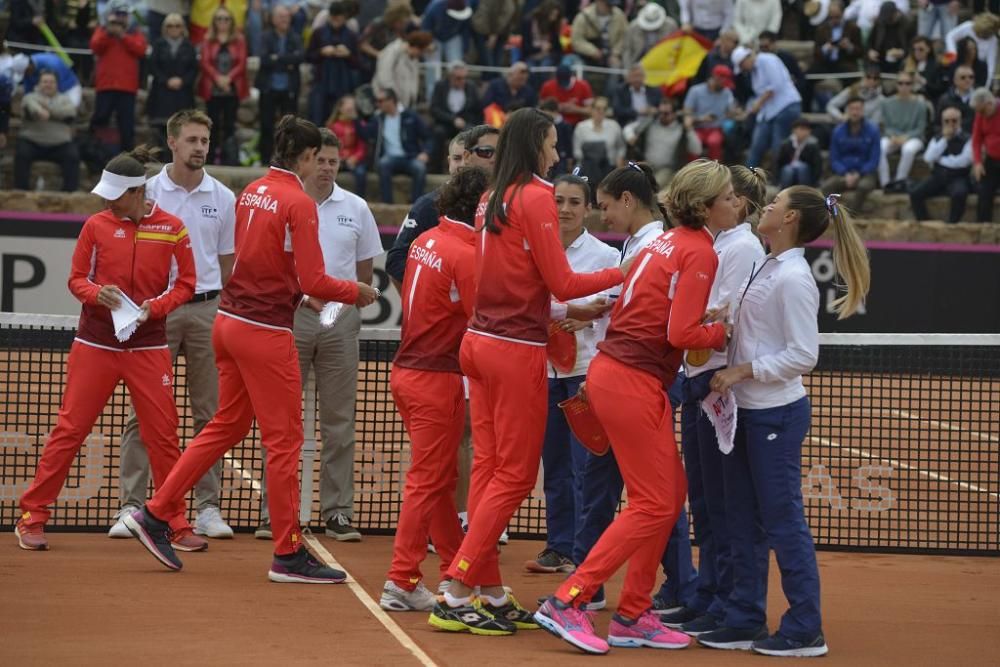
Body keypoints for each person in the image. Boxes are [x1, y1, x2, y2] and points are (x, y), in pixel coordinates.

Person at [124, 115, 378, 579]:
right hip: (265, 332)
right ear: (304, 157)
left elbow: (266, 262)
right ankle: (288, 553)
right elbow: (313, 280)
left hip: (228, 322)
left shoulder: (252, 192)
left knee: (225, 426)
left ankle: (157, 510)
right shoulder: (297, 202)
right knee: (285, 441)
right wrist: (354, 292)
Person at [428, 108, 624, 636]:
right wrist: (626, 268)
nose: (558, 155)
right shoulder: (534, 197)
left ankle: (488, 588)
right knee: (513, 476)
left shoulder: (494, 196)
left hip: (479, 344)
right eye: (554, 145)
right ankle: (456, 586)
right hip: (514, 352)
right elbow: (561, 282)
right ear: (536, 143)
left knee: (491, 471)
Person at [535, 160, 732, 655]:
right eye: (729, 196)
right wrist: (722, 330)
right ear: (706, 205)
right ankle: (570, 599)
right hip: (631, 381)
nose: (738, 203)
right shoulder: (698, 250)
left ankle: (633, 614)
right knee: (652, 503)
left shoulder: (663, 242)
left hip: (619, 374)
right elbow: (682, 336)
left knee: (669, 494)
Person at [699, 185, 870, 658]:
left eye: (774, 203)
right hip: (744, 412)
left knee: (782, 521)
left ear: (789, 217)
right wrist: (723, 319)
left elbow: (802, 354)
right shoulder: (766, 264)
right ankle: (743, 617)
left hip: (775, 412)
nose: (765, 206)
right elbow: (758, 331)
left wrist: (742, 370)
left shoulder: (794, 277)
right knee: (742, 518)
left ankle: (804, 628)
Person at [15, 147, 198, 552]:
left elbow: (186, 283)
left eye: (116, 194)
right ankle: (33, 515)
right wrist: (99, 294)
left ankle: (175, 522)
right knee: (70, 430)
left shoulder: (173, 228)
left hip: (149, 346)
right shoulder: (95, 226)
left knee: (164, 436)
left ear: (137, 192)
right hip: (94, 344)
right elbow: (76, 280)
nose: (108, 201)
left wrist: (158, 307)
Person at [568, 161, 697, 617]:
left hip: (642, 377)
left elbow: (672, 324)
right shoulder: (642, 245)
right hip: (623, 375)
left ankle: (674, 585)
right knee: (633, 491)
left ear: (628, 200)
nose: (602, 216)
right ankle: (604, 588)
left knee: (656, 495)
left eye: (604, 206)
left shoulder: (662, 246)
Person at [110, 109, 237, 542]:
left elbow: (227, 263)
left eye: (205, 140)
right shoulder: (145, 192)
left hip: (206, 310)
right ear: (172, 142)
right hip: (154, 312)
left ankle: (207, 508)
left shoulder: (223, 196)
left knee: (210, 414)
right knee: (143, 412)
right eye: (192, 140)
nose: (200, 147)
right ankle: (131, 505)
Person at [255, 128, 383, 541]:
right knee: (281, 418)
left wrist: (337, 302)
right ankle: (273, 513)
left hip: (340, 320)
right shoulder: (287, 201)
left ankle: (338, 512)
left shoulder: (358, 208)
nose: (327, 168)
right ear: (307, 160)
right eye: (321, 160)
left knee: (340, 421)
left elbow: (363, 274)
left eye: (334, 161)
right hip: (290, 317)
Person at [658, 165, 767, 635]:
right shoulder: (715, 243)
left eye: (730, 195)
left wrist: (697, 324)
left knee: (723, 503)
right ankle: (708, 595)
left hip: (716, 383)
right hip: (697, 377)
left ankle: (729, 604)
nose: (727, 202)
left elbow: (724, 319)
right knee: (703, 499)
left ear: (737, 202)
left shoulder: (740, 246)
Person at [380, 165, 488, 612]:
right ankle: (401, 580)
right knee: (427, 481)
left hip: (407, 372)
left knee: (440, 479)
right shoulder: (468, 254)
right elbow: (486, 318)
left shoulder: (426, 241)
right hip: (437, 380)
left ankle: (453, 567)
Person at [527, 173, 620, 575]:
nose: (564, 209)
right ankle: (559, 546)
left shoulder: (606, 256)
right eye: (558, 201)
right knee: (556, 464)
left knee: (588, 467)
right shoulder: (531, 249)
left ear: (587, 209)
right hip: (541, 372)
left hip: (586, 373)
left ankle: (588, 552)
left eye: (573, 202)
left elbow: (619, 305)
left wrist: (589, 316)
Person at [385, 124, 499, 288]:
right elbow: (396, 260)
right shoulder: (427, 205)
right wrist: (431, 292)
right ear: (448, 161)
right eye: (456, 158)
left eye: (465, 158)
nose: (462, 165)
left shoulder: (502, 202)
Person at [89, 0, 148, 152]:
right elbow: (95, 46)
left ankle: (128, 157)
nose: (120, 18)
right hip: (106, 85)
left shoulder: (135, 32)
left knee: (126, 125)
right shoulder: (103, 30)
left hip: (127, 87)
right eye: (117, 14)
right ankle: (95, 151)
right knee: (100, 119)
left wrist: (122, 35)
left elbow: (141, 50)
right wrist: (109, 33)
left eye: (123, 14)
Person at [731, 45, 802, 169]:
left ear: (746, 59)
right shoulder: (753, 72)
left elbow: (776, 84)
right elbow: (759, 94)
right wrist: (749, 109)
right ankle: (747, 177)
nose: (743, 69)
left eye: (742, 65)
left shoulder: (767, 59)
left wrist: (758, 104)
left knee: (777, 146)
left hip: (786, 106)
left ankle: (778, 178)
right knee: (756, 145)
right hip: (769, 111)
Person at [13, 70, 80, 192]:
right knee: (21, 154)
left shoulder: (65, 99)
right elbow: (29, 105)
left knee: (72, 156)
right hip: (32, 142)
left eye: (51, 82)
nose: (48, 84)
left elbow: (70, 112)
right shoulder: (30, 97)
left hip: (60, 145)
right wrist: (39, 110)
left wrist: (47, 109)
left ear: (57, 84)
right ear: (39, 84)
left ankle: (69, 194)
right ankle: (21, 192)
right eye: (45, 82)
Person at [199, 5, 249, 165]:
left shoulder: (239, 39)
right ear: (214, 22)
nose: (222, 22)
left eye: (226, 19)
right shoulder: (208, 39)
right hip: (212, 89)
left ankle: (230, 160)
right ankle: (210, 158)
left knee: (229, 125)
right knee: (211, 125)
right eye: (219, 18)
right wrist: (218, 78)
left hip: (232, 89)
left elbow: (242, 63)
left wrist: (228, 79)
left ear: (231, 22)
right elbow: (205, 62)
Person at [256, 4, 305, 165]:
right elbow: (264, 59)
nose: (285, 20)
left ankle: (287, 161)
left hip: (289, 88)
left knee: (289, 129)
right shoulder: (265, 36)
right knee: (266, 125)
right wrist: (286, 60)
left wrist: (277, 58)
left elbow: (299, 58)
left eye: (287, 17)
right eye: (281, 17)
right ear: (273, 19)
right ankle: (265, 160)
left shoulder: (295, 36)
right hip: (269, 87)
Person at [910, 105, 972, 223]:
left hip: (958, 177)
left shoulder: (968, 138)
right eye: (947, 121)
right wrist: (945, 139)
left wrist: (941, 160)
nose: (951, 124)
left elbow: (963, 161)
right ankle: (925, 223)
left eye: (954, 120)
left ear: (960, 121)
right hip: (938, 176)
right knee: (915, 193)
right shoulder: (937, 138)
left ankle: (951, 225)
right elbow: (928, 158)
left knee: (960, 194)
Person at [370, 88, 432, 204]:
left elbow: (428, 136)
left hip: (410, 157)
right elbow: (366, 134)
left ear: (391, 100)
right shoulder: (378, 119)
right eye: (377, 101)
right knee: (383, 164)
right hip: (389, 158)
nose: (378, 104)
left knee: (420, 168)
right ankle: (387, 205)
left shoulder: (410, 116)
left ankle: (416, 205)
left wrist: (425, 152)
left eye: (381, 100)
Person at [147, 14, 198, 148]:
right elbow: (153, 66)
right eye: (170, 25)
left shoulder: (189, 45)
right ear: (165, 28)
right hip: (162, 92)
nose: (174, 28)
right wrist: (166, 80)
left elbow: (194, 69)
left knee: (182, 127)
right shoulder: (158, 44)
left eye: (177, 25)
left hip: (183, 93)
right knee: (162, 129)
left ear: (183, 28)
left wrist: (182, 81)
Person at [625, 98, 703, 187]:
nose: (661, 115)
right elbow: (628, 128)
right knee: (631, 182)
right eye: (660, 112)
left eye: (666, 113)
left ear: (674, 114)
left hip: (667, 169)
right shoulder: (650, 123)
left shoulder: (681, 130)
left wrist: (689, 128)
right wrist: (630, 137)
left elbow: (697, 150)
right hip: (646, 165)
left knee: (653, 185)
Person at [823, 96, 881, 212]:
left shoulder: (873, 130)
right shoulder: (838, 131)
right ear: (847, 111)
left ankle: (851, 216)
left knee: (863, 186)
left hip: (865, 173)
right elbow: (834, 158)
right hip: (843, 173)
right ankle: (830, 214)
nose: (855, 112)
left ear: (863, 111)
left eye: (858, 109)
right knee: (826, 187)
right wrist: (845, 173)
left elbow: (874, 159)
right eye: (852, 109)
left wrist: (858, 174)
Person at [307, 1, 359, 126]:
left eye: (339, 18)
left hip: (342, 84)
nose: (336, 21)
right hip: (321, 82)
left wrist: (348, 55)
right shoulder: (318, 33)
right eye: (333, 18)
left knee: (339, 122)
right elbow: (308, 56)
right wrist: (322, 52)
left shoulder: (351, 35)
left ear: (344, 18)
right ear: (329, 16)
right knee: (317, 120)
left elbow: (358, 63)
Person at [878, 71, 927, 192]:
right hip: (893, 137)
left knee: (908, 149)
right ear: (896, 85)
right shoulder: (887, 103)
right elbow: (886, 125)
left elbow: (920, 128)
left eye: (907, 83)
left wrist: (906, 137)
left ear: (912, 85)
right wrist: (893, 137)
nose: (904, 86)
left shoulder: (921, 104)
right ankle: (885, 183)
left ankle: (900, 181)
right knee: (879, 147)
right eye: (900, 83)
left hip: (914, 138)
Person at [429, 62, 483, 172]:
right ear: (450, 77)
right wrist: (452, 119)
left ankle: (472, 168)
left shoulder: (471, 87)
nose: (462, 81)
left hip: (466, 123)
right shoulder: (440, 86)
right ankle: (436, 169)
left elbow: (478, 109)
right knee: (438, 132)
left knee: (473, 133)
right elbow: (434, 109)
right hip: (445, 123)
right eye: (459, 78)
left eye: (464, 78)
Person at [421, 0, 475, 101]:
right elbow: (425, 27)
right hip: (434, 36)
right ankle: (432, 98)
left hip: (453, 36)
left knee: (457, 65)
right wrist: (427, 43)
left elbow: (465, 31)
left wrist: (465, 48)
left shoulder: (466, 6)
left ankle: (456, 97)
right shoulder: (434, 7)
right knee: (433, 68)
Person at [683, 64, 739, 161]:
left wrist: (735, 112)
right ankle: (693, 172)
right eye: (723, 83)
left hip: (716, 128)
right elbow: (687, 113)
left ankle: (716, 172)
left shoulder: (727, 93)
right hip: (698, 127)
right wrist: (701, 119)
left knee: (714, 142)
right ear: (715, 78)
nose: (725, 87)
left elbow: (730, 112)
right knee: (694, 144)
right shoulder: (695, 91)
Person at [373, 30, 434, 111]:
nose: (421, 54)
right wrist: (395, 99)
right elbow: (384, 78)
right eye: (422, 51)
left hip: (404, 105)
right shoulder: (392, 51)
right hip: (387, 104)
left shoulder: (414, 59)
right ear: (416, 47)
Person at [573, 97, 625, 189]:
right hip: (588, 169)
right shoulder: (581, 127)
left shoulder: (614, 126)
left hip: (609, 169)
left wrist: (619, 160)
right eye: (598, 108)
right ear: (592, 109)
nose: (601, 111)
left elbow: (621, 147)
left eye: (604, 109)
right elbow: (577, 151)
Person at [9, 51, 83, 110]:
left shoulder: (53, 64)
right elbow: (28, 92)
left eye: (25, 72)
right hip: (47, 92)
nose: (25, 75)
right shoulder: (28, 72)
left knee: (70, 110)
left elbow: (57, 89)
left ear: (29, 66)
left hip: (69, 88)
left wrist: (48, 105)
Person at [327, 95, 369, 197]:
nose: (351, 110)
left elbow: (362, 146)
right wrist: (339, 158)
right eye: (348, 108)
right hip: (338, 159)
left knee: (361, 173)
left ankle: (361, 200)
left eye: (353, 108)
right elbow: (330, 146)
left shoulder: (360, 125)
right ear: (340, 109)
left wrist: (355, 157)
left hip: (354, 159)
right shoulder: (333, 126)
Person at [945, 13, 1000, 87]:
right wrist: (952, 53)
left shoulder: (993, 40)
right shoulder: (968, 26)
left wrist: (986, 87)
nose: (980, 37)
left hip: (977, 67)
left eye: (984, 36)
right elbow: (950, 36)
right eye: (979, 34)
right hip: (959, 60)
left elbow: (991, 65)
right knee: (946, 62)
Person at [971, 87, 1000, 222]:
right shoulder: (980, 115)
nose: (980, 114)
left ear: (990, 103)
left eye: (982, 111)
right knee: (984, 195)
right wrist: (977, 162)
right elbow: (976, 141)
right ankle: (982, 229)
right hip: (991, 160)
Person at [571, 0, 628, 68]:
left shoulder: (619, 15)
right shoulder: (583, 16)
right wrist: (593, 51)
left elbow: (625, 37)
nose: (611, 7)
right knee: (578, 64)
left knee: (618, 66)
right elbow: (577, 40)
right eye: (607, 4)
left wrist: (615, 53)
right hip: (587, 57)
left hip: (612, 56)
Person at [623, 3, 678, 69]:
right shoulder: (633, 28)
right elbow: (627, 50)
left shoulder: (671, 26)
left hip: (664, 64)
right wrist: (628, 69)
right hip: (639, 64)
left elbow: (676, 47)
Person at [540, 64, 595, 128]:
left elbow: (591, 110)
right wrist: (556, 108)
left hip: (577, 125)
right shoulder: (547, 86)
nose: (563, 85)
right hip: (553, 125)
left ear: (571, 76)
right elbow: (540, 108)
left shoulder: (583, 86)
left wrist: (575, 109)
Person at [866, 1, 912, 74]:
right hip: (880, 58)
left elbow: (911, 44)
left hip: (900, 60)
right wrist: (870, 51)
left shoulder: (906, 24)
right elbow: (870, 42)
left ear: (895, 13)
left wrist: (903, 52)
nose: (888, 21)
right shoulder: (879, 23)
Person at [776, 119, 823, 187]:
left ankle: (804, 190)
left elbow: (817, 165)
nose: (804, 132)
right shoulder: (786, 143)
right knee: (787, 170)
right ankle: (784, 189)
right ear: (794, 130)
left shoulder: (813, 144)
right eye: (801, 129)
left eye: (807, 129)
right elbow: (779, 162)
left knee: (802, 168)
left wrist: (815, 180)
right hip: (789, 170)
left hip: (806, 173)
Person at [904, 36, 945, 102]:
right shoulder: (907, 63)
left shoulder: (936, 66)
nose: (917, 52)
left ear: (928, 49)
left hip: (927, 98)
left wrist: (922, 81)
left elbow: (939, 89)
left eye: (921, 49)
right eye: (914, 49)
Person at [936, 65, 975, 132]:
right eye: (963, 77)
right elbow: (937, 124)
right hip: (949, 137)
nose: (967, 80)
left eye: (971, 77)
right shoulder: (945, 99)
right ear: (955, 80)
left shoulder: (979, 99)